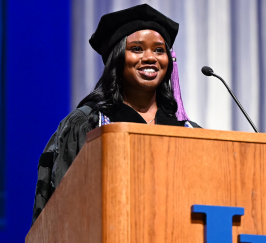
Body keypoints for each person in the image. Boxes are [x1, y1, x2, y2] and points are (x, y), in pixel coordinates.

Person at [32, 4, 201, 225]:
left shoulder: (189, 131)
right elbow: (61, 208)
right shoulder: (88, 124)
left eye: (159, 50)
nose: (150, 57)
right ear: (118, 57)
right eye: (137, 49)